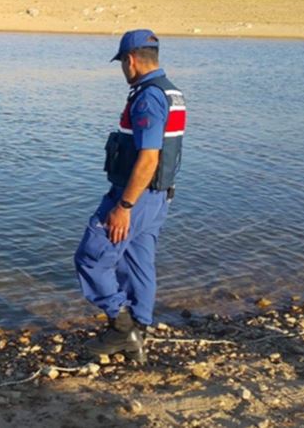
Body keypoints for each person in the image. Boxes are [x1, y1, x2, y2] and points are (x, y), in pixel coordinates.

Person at [74, 29, 187, 362]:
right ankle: (139, 332)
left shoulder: (148, 96)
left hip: (135, 197)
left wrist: (124, 206)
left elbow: (149, 157)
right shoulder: (172, 92)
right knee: (138, 264)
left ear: (131, 60)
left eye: (122, 63)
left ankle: (122, 328)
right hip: (158, 197)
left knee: (91, 257)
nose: (123, 70)